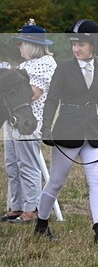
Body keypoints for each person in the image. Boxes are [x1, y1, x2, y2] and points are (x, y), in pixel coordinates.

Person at [37, 19, 98, 245]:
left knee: (97, 182)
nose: (76, 48)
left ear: (94, 46)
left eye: (81, 44)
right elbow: (52, 100)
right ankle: (41, 223)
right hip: (67, 131)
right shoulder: (63, 68)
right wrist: (46, 128)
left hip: (92, 134)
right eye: (74, 44)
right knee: (56, 182)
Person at [2, 21, 57, 223]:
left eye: (21, 43)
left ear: (31, 45)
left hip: (28, 122)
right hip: (12, 119)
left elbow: (31, 94)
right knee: (12, 165)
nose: (19, 47)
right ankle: (15, 207)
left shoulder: (45, 65)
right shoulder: (25, 65)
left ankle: (31, 209)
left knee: (27, 165)